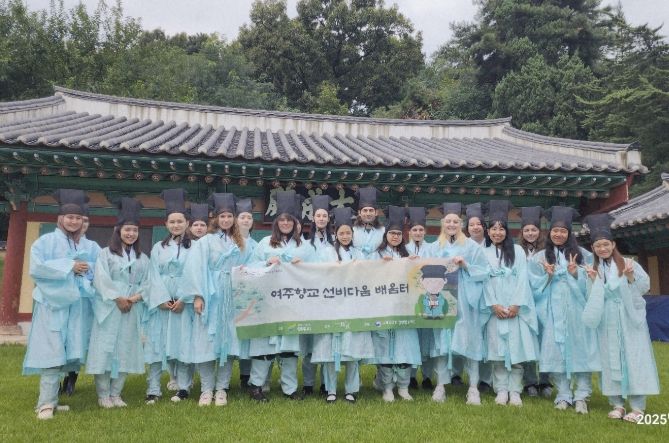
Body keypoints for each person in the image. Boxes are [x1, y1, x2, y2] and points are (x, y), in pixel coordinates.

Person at [23, 189, 98, 419]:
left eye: (78, 218)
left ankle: (53, 401)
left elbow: (97, 271)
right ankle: (45, 404)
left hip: (76, 306)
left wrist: (86, 270)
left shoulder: (86, 245)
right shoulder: (45, 242)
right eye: (70, 217)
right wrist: (69, 266)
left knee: (67, 351)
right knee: (52, 349)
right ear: (60, 218)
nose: (74, 221)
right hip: (52, 305)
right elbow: (37, 268)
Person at [582, 213, 660, 423]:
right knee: (609, 358)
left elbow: (644, 286)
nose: (602, 249)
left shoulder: (628, 263)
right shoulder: (594, 268)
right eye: (598, 246)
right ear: (593, 248)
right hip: (607, 317)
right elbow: (591, 297)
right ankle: (617, 403)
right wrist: (593, 281)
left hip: (627, 316)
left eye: (606, 244)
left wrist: (630, 276)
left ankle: (637, 406)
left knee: (634, 356)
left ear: (613, 244)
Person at [528, 206, 600, 414]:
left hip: (577, 311)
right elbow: (532, 286)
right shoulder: (540, 257)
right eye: (555, 231)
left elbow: (593, 284)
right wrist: (548, 276)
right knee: (556, 353)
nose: (558, 234)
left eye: (563, 231)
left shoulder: (583, 255)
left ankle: (582, 396)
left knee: (581, 351)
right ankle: (563, 394)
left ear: (569, 234)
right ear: (549, 232)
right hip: (552, 312)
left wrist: (575, 274)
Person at [247, 190, 315, 401]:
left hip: (293, 302)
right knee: (264, 344)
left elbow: (315, 273)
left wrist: (302, 265)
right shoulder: (265, 242)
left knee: (290, 347)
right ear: (276, 222)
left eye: (290, 220)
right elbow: (250, 267)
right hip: (268, 300)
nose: (286, 223)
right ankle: (256, 385)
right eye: (282, 220)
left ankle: (290, 388)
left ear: (296, 223)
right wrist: (267, 262)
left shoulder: (305, 246)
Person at [181, 193, 247, 406]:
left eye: (229, 216)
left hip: (232, 295)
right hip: (211, 294)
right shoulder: (206, 241)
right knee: (206, 342)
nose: (226, 220)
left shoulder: (240, 242)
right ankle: (206, 389)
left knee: (227, 341)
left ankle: (221, 389)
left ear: (234, 218)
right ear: (216, 218)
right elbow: (195, 268)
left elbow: (249, 266)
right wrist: (198, 296)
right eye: (222, 216)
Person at [86, 197, 149, 408]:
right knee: (105, 349)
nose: (131, 234)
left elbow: (149, 282)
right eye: (127, 229)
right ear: (118, 230)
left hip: (132, 306)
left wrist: (135, 298)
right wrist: (117, 298)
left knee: (125, 349)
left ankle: (116, 393)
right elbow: (100, 279)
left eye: (135, 230)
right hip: (110, 306)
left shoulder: (142, 258)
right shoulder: (105, 254)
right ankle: (103, 394)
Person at [311, 206, 374, 403]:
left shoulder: (359, 254)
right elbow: (318, 275)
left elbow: (367, 277)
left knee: (352, 348)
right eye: (341, 233)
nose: (345, 236)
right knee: (331, 348)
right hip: (332, 304)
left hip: (353, 305)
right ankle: (330, 389)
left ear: (352, 234)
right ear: (335, 234)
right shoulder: (326, 252)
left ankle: (351, 389)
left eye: (348, 233)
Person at [429, 202, 489, 405]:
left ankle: (473, 387)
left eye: (455, 221)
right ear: (442, 223)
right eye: (448, 221)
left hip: (465, 298)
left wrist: (465, 265)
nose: (452, 224)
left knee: (470, 338)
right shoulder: (434, 247)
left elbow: (484, 271)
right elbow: (422, 269)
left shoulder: (472, 246)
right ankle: (440, 385)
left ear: (461, 224)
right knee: (441, 340)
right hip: (442, 298)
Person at [481, 201, 539, 407]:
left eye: (501, 229)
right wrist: (493, 305)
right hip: (495, 310)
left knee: (516, 351)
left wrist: (516, 304)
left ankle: (515, 390)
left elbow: (523, 278)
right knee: (497, 353)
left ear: (507, 231)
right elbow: (484, 281)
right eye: (493, 229)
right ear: (488, 231)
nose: (497, 233)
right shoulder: (483, 253)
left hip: (515, 310)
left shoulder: (518, 251)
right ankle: (501, 389)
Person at [144, 188, 194, 404]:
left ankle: (183, 387)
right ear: (166, 224)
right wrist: (161, 299)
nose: (176, 225)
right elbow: (152, 275)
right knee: (157, 345)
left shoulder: (195, 247)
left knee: (182, 344)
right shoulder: (158, 247)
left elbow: (196, 274)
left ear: (187, 223)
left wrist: (184, 299)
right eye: (172, 222)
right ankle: (153, 388)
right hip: (162, 303)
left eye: (180, 221)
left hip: (184, 304)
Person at [370, 206, 422, 402]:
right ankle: (387, 387)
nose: (395, 237)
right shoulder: (377, 255)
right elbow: (367, 277)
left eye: (398, 234)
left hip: (404, 309)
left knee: (404, 347)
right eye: (392, 233)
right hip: (383, 308)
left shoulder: (409, 254)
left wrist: (415, 264)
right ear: (386, 235)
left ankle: (403, 386)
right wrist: (379, 266)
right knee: (385, 348)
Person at [61, 203, 100, 396]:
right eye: (77, 219)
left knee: (78, 337)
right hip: (62, 297)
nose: (81, 224)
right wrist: (69, 266)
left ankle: (71, 378)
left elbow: (101, 270)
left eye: (85, 220)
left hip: (83, 301)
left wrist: (87, 267)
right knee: (61, 337)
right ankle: (55, 378)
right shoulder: (59, 243)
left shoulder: (92, 246)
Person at [517, 206, 552, 398]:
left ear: (540, 231)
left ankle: (545, 380)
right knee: (527, 341)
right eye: (527, 230)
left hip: (544, 300)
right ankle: (529, 381)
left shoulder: (548, 252)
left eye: (534, 230)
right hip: (525, 301)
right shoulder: (517, 251)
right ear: (522, 232)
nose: (530, 233)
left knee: (546, 340)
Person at [302, 195, 334, 396]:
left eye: (324, 216)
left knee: (325, 340)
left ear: (329, 219)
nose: (321, 219)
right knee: (309, 342)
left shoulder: (334, 245)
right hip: (310, 296)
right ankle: (307, 383)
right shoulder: (305, 244)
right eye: (318, 215)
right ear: (313, 218)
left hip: (330, 298)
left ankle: (325, 383)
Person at [405, 206, 434, 390]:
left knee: (427, 336)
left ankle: (428, 375)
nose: (417, 232)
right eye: (414, 229)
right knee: (412, 336)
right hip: (409, 298)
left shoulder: (432, 248)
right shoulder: (404, 249)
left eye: (420, 229)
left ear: (425, 231)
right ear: (409, 232)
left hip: (429, 295)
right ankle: (411, 375)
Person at [234, 198, 257, 389]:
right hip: (229, 292)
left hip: (248, 293)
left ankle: (245, 374)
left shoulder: (256, 245)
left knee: (247, 335)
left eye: (249, 217)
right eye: (242, 217)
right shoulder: (229, 243)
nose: (246, 220)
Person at [352, 186, 385, 259]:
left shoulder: (383, 231)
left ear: (376, 212)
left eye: (371, 210)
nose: (368, 214)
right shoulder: (352, 231)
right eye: (365, 210)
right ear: (359, 213)